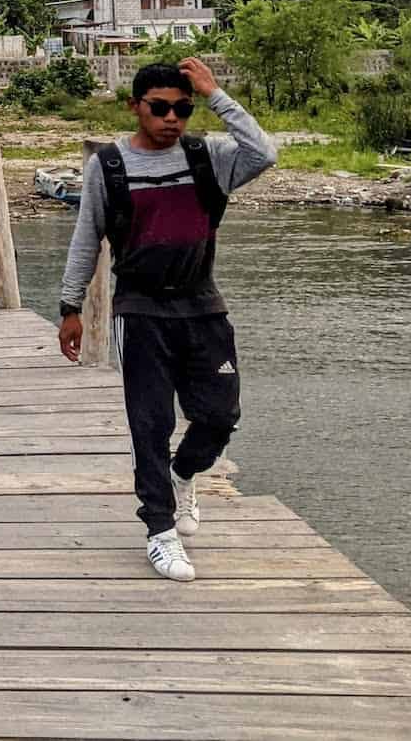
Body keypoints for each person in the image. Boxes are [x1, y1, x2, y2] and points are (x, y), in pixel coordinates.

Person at [58, 58, 277, 584]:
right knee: (149, 424)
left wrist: (217, 94)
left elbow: (264, 153)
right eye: (160, 108)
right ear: (135, 107)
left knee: (220, 416)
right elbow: (87, 237)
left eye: (183, 108)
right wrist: (70, 307)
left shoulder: (209, 158)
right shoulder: (108, 166)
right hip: (140, 310)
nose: (172, 118)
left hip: (203, 304)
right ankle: (160, 530)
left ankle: (184, 474)